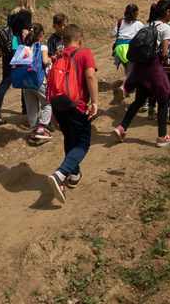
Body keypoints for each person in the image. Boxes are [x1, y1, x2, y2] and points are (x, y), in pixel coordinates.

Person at [112, 0, 170, 147]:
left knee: (139, 100)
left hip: (139, 66)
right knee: (163, 98)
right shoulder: (165, 28)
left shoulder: (147, 25)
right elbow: (164, 53)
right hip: (153, 66)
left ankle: (122, 127)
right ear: (168, 12)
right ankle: (162, 137)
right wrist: (167, 63)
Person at [46, 24, 99, 204]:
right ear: (81, 40)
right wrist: (94, 102)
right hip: (77, 106)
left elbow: (53, 83)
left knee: (69, 138)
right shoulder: (84, 54)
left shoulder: (59, 56)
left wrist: (53, 110)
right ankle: (61, 174)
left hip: (59, 106)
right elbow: (90, 76)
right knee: (82, 144)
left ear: (63, 41)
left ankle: (74, 174)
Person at [0, 0, 36, 125]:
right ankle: (25, 107)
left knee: (6, 79)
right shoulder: (26, 14)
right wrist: (30, 49)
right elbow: (24, 34)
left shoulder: (12, 13)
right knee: (25, 75)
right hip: (19, 47)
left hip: (9, 47)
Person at [18, 22, 54, 143]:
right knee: (47, 103)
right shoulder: (42, 47)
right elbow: (45, 61)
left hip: (25, 83)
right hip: (38, 81)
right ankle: (42, 128)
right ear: (42, 34)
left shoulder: (24, 48)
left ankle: (34, 132)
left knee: (31, 107)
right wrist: (50, 60)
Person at [111, 3, 144, 92]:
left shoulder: (120, 22)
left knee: (127, 68)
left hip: (119, 49)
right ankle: (125, 88)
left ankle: (129, 85)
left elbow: (113, 34)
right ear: (136, 13)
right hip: (130, 49)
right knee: (130, 69)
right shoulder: (139, 24)